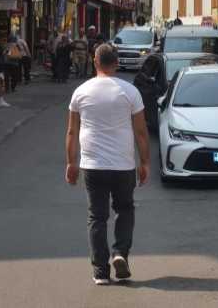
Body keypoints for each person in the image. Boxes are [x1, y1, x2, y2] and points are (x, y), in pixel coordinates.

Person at [66, 43, 151, 285]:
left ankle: (100, 272)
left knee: (97, 217)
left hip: (92, 165)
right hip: (123, 165)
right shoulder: (129, 91)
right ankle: (120, 254)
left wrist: (71, 163)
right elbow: (141, 132)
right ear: (116, 63)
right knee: (124, 210)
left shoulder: (81, 92)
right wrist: (144, 163)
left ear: (95, 62)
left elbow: (72, 132)